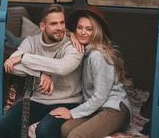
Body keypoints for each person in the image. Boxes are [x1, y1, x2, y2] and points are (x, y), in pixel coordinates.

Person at [0, 4, 84, 138]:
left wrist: (24, 57)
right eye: (54, 24)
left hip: (68, 100)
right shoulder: (31, 42)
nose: (60, 28)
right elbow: (11, 65)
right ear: (42, 26)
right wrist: (41, 73)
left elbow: (62, 67)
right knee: (3, 125)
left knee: (44, 131)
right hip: (38, 99)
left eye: (62, 22)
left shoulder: (73, 45)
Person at [49, 8, 132, 138]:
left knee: (76, 135)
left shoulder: (97, 56)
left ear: (96, 32)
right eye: (79, 28)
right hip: (98, 108)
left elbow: (100, 96)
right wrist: (70, 35)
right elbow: (54, 31)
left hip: (114, 108)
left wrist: (72, 113)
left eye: (89, 29)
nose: (83, 32)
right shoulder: (83, 50)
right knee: (65, 129)